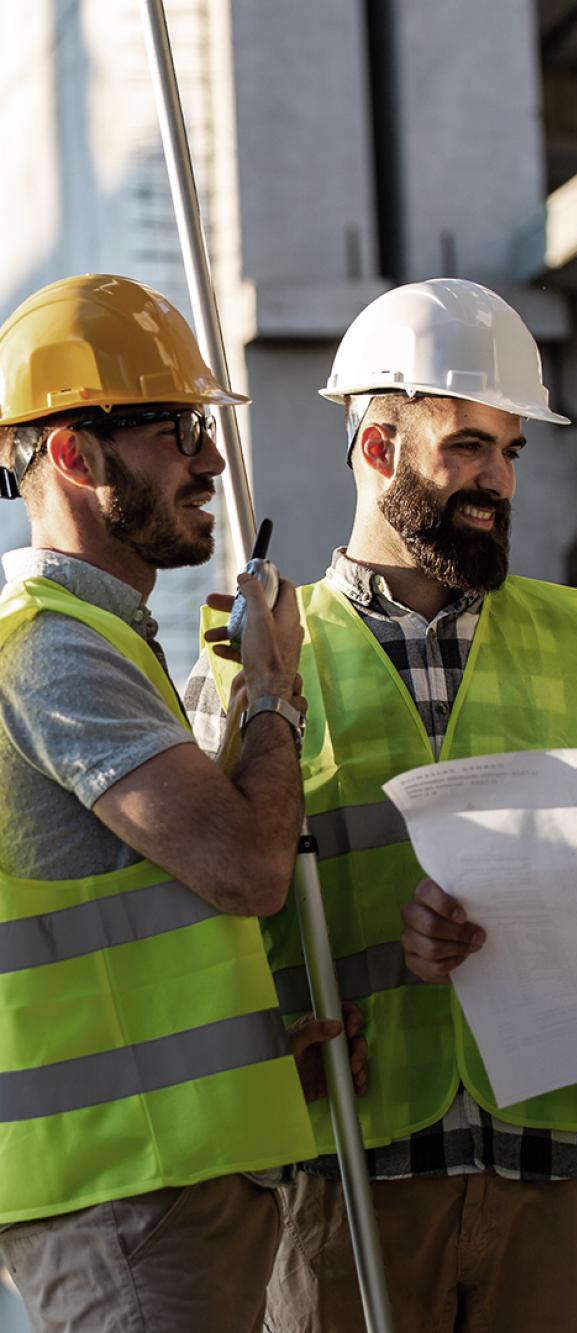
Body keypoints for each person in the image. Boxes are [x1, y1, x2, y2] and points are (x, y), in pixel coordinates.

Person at [186, 278, 577, 1333]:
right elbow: (207, 915)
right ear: (378, 450)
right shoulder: (254, 653)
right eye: (467, 446)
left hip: (556, 1175)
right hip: (344, 1182)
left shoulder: (576, 647)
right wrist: (269, 1039)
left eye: (512, 450)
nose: (498, 479)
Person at [0, 273, 364, 1333]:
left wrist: (252, 1043)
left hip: (158, 1183)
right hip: (128, 1194)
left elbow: (143, 924)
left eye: (202, 427)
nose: (209, 458)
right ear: (73, 453)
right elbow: (248, 866)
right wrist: (271, 696)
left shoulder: (98, 633)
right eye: (175, 429)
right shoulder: (55, 646)